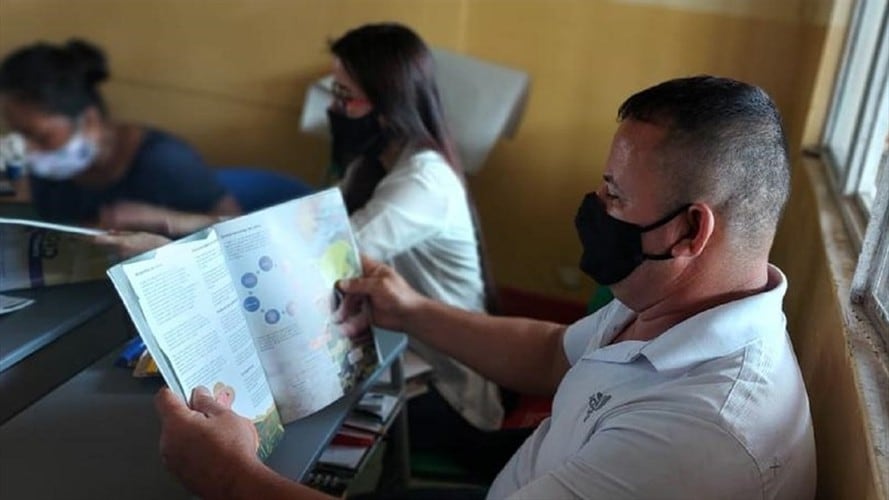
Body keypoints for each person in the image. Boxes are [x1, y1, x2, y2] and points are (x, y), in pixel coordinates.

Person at [154, 75, 816, 499]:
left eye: (613, 195)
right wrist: (411, 311)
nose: (594, 207)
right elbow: (549, 354)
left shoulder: (696, 436)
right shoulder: (670, 304)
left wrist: (232, 478)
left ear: (687, 231)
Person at [102, 22, 512, 461]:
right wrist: (171, 223)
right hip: (400, 352)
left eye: (343, 95)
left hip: (447, 389)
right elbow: (288, 237)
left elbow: (309, 262)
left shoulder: (423, 182)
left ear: (389, 107)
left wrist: (168, 256)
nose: (334, 108)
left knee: (286, 431)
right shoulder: (374, 164)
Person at [0, 39, 240, 227]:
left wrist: (167, 221)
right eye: (19, 134)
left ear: (89, 120)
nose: (28, 150)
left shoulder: (165, 161)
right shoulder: (46, 169)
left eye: (41, 137)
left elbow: (237, 229)